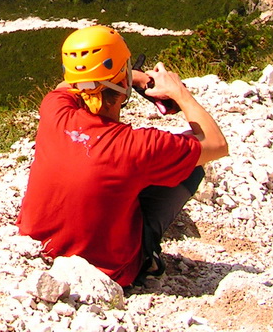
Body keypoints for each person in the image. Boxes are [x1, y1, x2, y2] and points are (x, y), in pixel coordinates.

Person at [17, 24, 229, 288]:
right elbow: (217, 144)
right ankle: (146, 256)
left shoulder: (54, 111)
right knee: (192, 167)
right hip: (108, 271)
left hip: (41, 249)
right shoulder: (139, 147)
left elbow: (67, 85)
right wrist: (178, 92)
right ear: (123, 81)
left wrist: (130, 77)